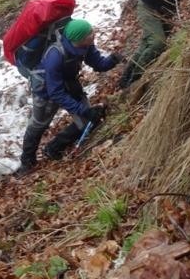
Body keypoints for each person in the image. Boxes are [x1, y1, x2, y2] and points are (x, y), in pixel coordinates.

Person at [15, 19, 120, 175]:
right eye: (89, 33)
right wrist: (83, 110)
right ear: (78, 39)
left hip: (69, 83)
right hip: (45, 91)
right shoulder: (55, 56)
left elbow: (98, 64)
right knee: (38, 125)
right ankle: (27, 162)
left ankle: (53, 148)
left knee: (86, 122)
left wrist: (113, 60)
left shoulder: (86, 45)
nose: (93, 34)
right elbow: (55, 93)